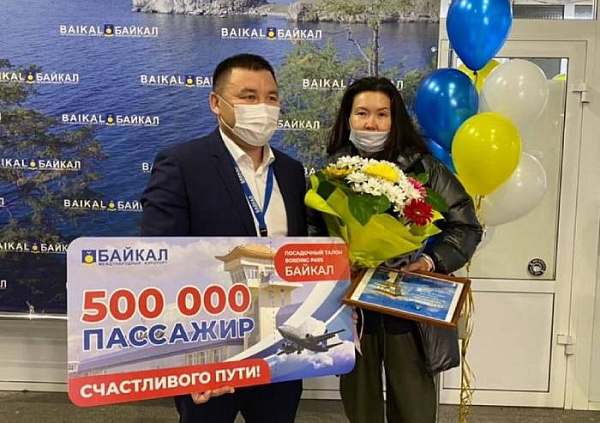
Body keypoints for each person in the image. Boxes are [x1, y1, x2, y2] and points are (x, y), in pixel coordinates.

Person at [140, 54, 306, 423]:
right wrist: (188, 360)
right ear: (216, 103)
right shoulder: (182, 164)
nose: (262, 107)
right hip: (209, 351)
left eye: (271, 97)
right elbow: (158, 261)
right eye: (248, 97)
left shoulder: (291, 172)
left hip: (279, 349)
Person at [316, 77, 483, 423]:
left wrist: (430, 260)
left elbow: (466, 226)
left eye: (382, 114)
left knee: (413, 405)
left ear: (395, 120)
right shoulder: (332, 174)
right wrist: (336, 263)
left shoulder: (425, 169)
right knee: (360, 405)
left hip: (408, 305)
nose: (371, 124)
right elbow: (313, 230)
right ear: (348, 118)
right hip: (353, 305)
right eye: (362, 113)